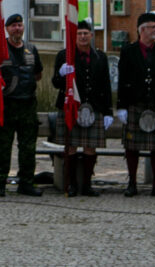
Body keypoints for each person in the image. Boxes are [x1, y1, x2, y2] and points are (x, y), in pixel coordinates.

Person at [117, 11, 155, 198]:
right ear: (142, 30)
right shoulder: (128, 51)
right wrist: (121, 106)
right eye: (153, 27)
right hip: (135, 103)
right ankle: (132, 183)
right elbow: (122, 80)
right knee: (132, 146)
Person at [51, 20, 113, 196]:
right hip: (70, 107)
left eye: (86, 33)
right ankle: (71, 185)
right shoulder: (64, 56)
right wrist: (62, 74)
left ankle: (87, 185)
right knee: (70, 147)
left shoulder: (100, 56)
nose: (83, 36)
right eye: (79, 33)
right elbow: (55, 83)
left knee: (90, 147)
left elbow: (106, 86)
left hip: (93, 108)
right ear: (74, 36)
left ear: (91, 35)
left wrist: (108, 111)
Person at [0, 13, 44, 196]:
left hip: (28, 106)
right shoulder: (0, 49)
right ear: (7, 29)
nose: (17, 28)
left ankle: (26, 183)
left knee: (28, 148)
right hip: (8, 105)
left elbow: (38, 74)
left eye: (20, 25)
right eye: (13, 26)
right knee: (3, 147)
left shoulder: (31, 49)